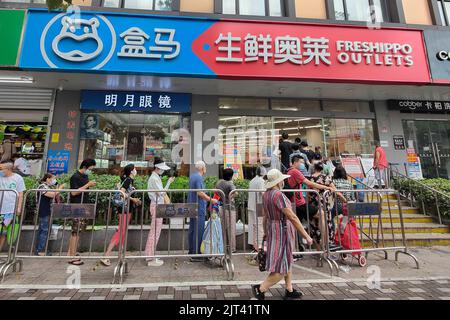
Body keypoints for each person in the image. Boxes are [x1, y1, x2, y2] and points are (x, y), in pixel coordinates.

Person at [252, 169, 313, 300]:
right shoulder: (278, 195)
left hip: (272, 229)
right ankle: (261, 288)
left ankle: (289, 289)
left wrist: (265, 233)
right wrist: (306, 236)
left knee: (286, 259)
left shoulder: (266, 195)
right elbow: (292, 217)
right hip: (282, 230)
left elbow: (265, 217)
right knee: (281, 268)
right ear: (279, 181)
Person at [286, 156, 335, 250]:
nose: (303, 165)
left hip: (295, 203)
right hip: (299, 203)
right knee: (321, 214)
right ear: (295, 162)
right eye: (301, 162)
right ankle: (325, 243)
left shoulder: (289, 171)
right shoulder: (295, 172)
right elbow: (309, 183)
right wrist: (326, 187)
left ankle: (300, 247)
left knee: (297, 225)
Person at [100, 164, 142, 267]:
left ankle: (121, 253)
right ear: (131, 171)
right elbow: (122, 193)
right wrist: (133, 199)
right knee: (121, 231)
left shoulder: (129, 180)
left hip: (127, 209)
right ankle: (106, 255)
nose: (136, 170)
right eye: (135, 169)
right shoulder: (128, 180)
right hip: (124, 209)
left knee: (123, 231)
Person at [309, 162, 345, 250]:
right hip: (324, 204)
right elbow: (335, 191)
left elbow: (307, 193)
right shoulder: (326, 178)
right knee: (326, 224)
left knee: (315, 227)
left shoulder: (310, 178)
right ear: (322, 169)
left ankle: (319, 251)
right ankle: (326, 248)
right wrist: (344, 200)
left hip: (313, 205)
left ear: (314, 168)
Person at [145, 158, 174, 267]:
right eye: (161, 169)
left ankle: (150, 255)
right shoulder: (154, 178)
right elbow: (161, 193)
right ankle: (150, 257)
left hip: (157, 205)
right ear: (157, 168)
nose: (163, 171)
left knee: (155, 232)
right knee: (155, 232)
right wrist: (169, 183)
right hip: (157, 205)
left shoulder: (155, 177)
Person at [67, 159, 97, 266]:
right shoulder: (75, 177)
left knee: (78, 232)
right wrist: (88, 184)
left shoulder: (85, 176)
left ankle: (71, 253)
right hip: (77, 206)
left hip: (84, 205)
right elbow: (74, 193)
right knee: (75, 232)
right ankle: (71, 256)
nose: (91, 171)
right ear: (85, 167)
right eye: (91, 168)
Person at [188, 161, 218, 261]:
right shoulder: (199, 178)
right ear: (203, 168)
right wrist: (211, 200)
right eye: (205, 167)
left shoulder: (193, 176)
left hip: (192, 206)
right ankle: (196, 254)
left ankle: (191, 252)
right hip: (198, 207)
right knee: (198, 230)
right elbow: (200, 193)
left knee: (192, 230)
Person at [35, 173, 64, 256]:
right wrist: (60, 188)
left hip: (47, 211)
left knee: (44, 231)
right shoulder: (42, 187)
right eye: (53, 178)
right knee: (44, 231)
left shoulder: (48, 187)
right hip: (44, 211)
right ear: (47, 179)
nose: (54, 181)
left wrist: (57, 189)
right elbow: (51, 195)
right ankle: (40, 251)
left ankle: (40, 250)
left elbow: (55, 195)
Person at [0, 160, 25, 252]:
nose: (0, 170)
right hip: (0, 209)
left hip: (10, 211)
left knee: (4, 232)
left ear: (8, 169)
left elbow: (21, 194)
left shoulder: (18, 178)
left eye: (1, 168)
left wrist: (19, 207)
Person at [216, 168, 237, 253]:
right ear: (231, 176)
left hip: (221, 207)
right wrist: (229, 197)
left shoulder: (219, 183)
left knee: (223, 228)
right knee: (231, 228)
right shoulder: (230, 184)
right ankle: (232, 248)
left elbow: (216, 192)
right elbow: (236, 193)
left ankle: (223, 246)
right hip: (230, 208)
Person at [247, 166, 266, 252]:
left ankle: (254, 245)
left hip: (251, 205)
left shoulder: (252, 180)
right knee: (259, 226)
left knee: (253, 226)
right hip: (259, 205)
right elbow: (263, 193)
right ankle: (259, 246)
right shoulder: (261, 181)